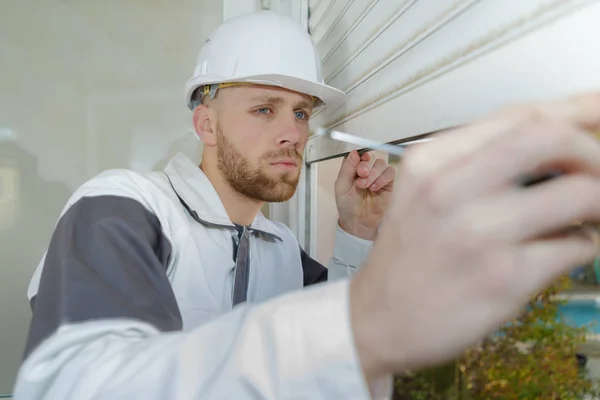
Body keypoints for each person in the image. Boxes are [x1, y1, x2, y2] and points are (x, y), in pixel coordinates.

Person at [14, 10, 600, 400]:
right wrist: (367, 319)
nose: (293, 132)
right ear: (205, 123)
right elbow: (70, 383)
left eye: (301, 112)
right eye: (265, 109)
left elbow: (337, 370)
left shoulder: (281, 249)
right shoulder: (124, 206)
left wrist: (358, 233)